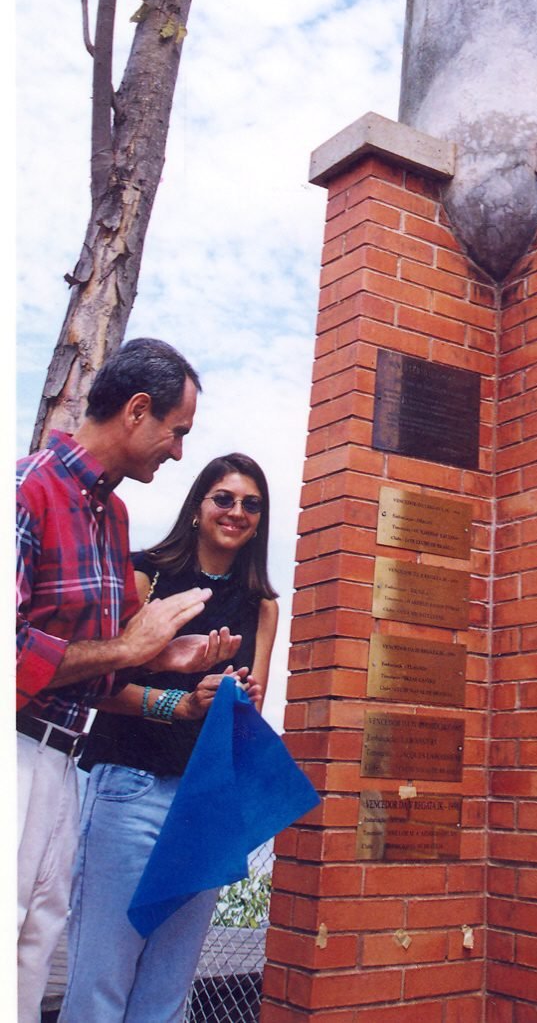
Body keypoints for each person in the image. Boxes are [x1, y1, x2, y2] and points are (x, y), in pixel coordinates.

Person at [16, 337, 238, 1023]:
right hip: (15, 756)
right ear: (138, 410)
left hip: (63, 765)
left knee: (29, 956)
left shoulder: (110, 513)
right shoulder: (26, 489)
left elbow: (101, 660)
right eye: (177, 432)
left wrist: (163, 660)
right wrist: (129, 645)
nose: (179, 452)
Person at [58, 452, 280, 1023]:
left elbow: (248, 713)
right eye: (224, 498)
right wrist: (179, 703)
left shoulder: (261, 605)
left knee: (167, 989)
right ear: (198, 506)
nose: (236, 512)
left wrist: (238, 700)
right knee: (102, 977)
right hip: (130, 785)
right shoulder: (145, 575)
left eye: (251, 504)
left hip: (204, 801)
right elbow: (97, 686)